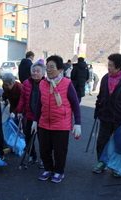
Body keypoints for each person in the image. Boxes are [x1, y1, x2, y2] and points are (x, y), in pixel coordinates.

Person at [32, 55, 81, 183]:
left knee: (60, 151)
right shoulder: (43, 83)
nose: (48, 70)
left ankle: (59, 171)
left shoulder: (67, 83)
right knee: (44, 149)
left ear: (60, 69)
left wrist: (78, 123)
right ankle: (48, 169)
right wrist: (35, 120)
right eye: (47, 67)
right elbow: (39, 104)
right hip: (44, 123)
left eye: (52, 67)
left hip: (61, 124)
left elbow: (75, 104)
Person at [93, 53, 121, 177]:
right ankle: (102, 162)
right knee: (102, 141)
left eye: (111, 65)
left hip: (120, 118)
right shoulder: (105, 78)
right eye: (108, 65)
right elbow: (101, 96)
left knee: (119, 144)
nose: (108, 67)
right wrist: (98, 109)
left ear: (118, 67)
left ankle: (117, 167)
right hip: (105, 116)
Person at [14, 61, 46, 168]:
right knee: (28, 138)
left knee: (43, 141)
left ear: (43, 73)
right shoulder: (26, 83)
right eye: (33, 70)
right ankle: (32, 156)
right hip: (30, 116)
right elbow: (22, 99)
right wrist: (18, 111)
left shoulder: (47, 83)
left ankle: (44, 159)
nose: (35, 73)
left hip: (43, 118)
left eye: (38, 71)